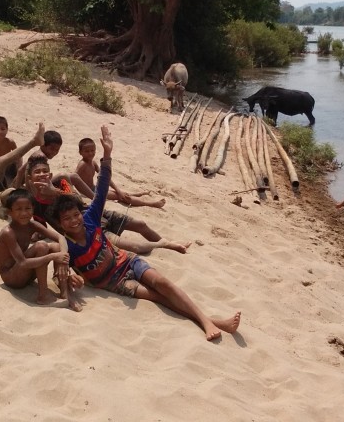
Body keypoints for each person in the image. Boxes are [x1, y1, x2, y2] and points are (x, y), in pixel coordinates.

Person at [51, 126, 240, 341]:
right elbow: (60, 273)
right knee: (157, 296)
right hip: (114, 282)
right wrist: (75, 283)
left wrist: (107, 155)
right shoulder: (67, 245)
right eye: (67, 219)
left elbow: (102, 187)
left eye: (75, 215)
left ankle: (207, 321)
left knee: (163, 284)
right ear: (60, 224)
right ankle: (214, 321)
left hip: (127, 261)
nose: (74, 221)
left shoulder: (90, 218)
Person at [27, 153, 189, 255]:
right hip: (86, 230)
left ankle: (167, 243)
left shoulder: (59, 181)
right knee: (135, 247)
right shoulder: (35, 203)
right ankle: (164, 245)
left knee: (141, 224)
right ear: (30, 178)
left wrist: (54, 192)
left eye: (44, 171)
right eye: (37, 172)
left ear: (50, 173)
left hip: (94, 214)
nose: (42, 175)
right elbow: (41, 228)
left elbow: (77, 201)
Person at [0, 188, 84, 310]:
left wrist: (63, 259)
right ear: (10, 212)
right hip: (12, 278)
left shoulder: (32, 225)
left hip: (25, 273)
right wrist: (53, 256)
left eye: (27, 208)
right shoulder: (8, 232)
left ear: (33, 209)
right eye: (18, 209)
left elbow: (60, 237)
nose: (24, 213)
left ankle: (65, 293)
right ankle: (43, 296)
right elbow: (22, 262)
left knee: (57, 247)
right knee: (41, 246)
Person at [75, 137, 165, 209]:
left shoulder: (93, 162)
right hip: (89, 193)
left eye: (92, 150)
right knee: (121, 196)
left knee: (118, 193)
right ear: (80, 152)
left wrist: (118, 189)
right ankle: (151, 203)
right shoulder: (82, 165)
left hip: (94, 188)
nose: (90, 153)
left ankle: (135, 194)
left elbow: (105, 177)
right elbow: (73, 178)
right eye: (86, 151)